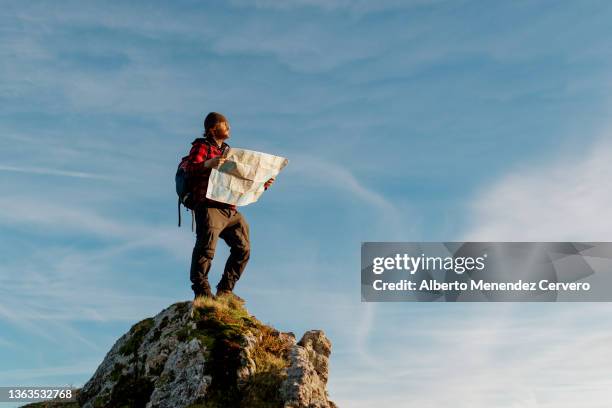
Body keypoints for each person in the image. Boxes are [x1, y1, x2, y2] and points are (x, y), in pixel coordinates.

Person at [185, 112, 275, 301]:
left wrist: (263, 184)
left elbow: (242, 181)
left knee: (243, 249)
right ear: (212, 129)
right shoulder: (201, 147)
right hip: (209, 206)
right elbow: (190, 169)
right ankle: (202, 293)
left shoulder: (229, 152)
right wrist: (208, 163)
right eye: (225, 125)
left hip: (230, 209)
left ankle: (225, 290)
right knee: (206, 249)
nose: (229, 128)